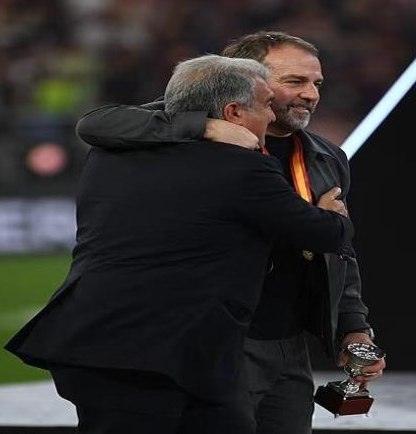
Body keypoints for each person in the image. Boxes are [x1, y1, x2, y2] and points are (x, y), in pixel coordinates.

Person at [5, 54, 354, 434]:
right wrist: (331, 213)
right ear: (234, 112)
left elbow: (102, 121)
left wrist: (199, 124)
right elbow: (326, 234)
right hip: (154, 354)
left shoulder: (109, 153)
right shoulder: (242, 168)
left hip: (101, 340)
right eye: (267, 104)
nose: (271, 117)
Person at [74, 31, 386, 434]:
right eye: (295, 81)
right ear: (246, 78)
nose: (311, 95)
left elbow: (339, 253)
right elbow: (97, 122)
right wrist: (204, 127)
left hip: (288, 344)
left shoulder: (326, 156)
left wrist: (353, 327)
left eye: (316, 83)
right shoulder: (183, 136)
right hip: (214, 338)